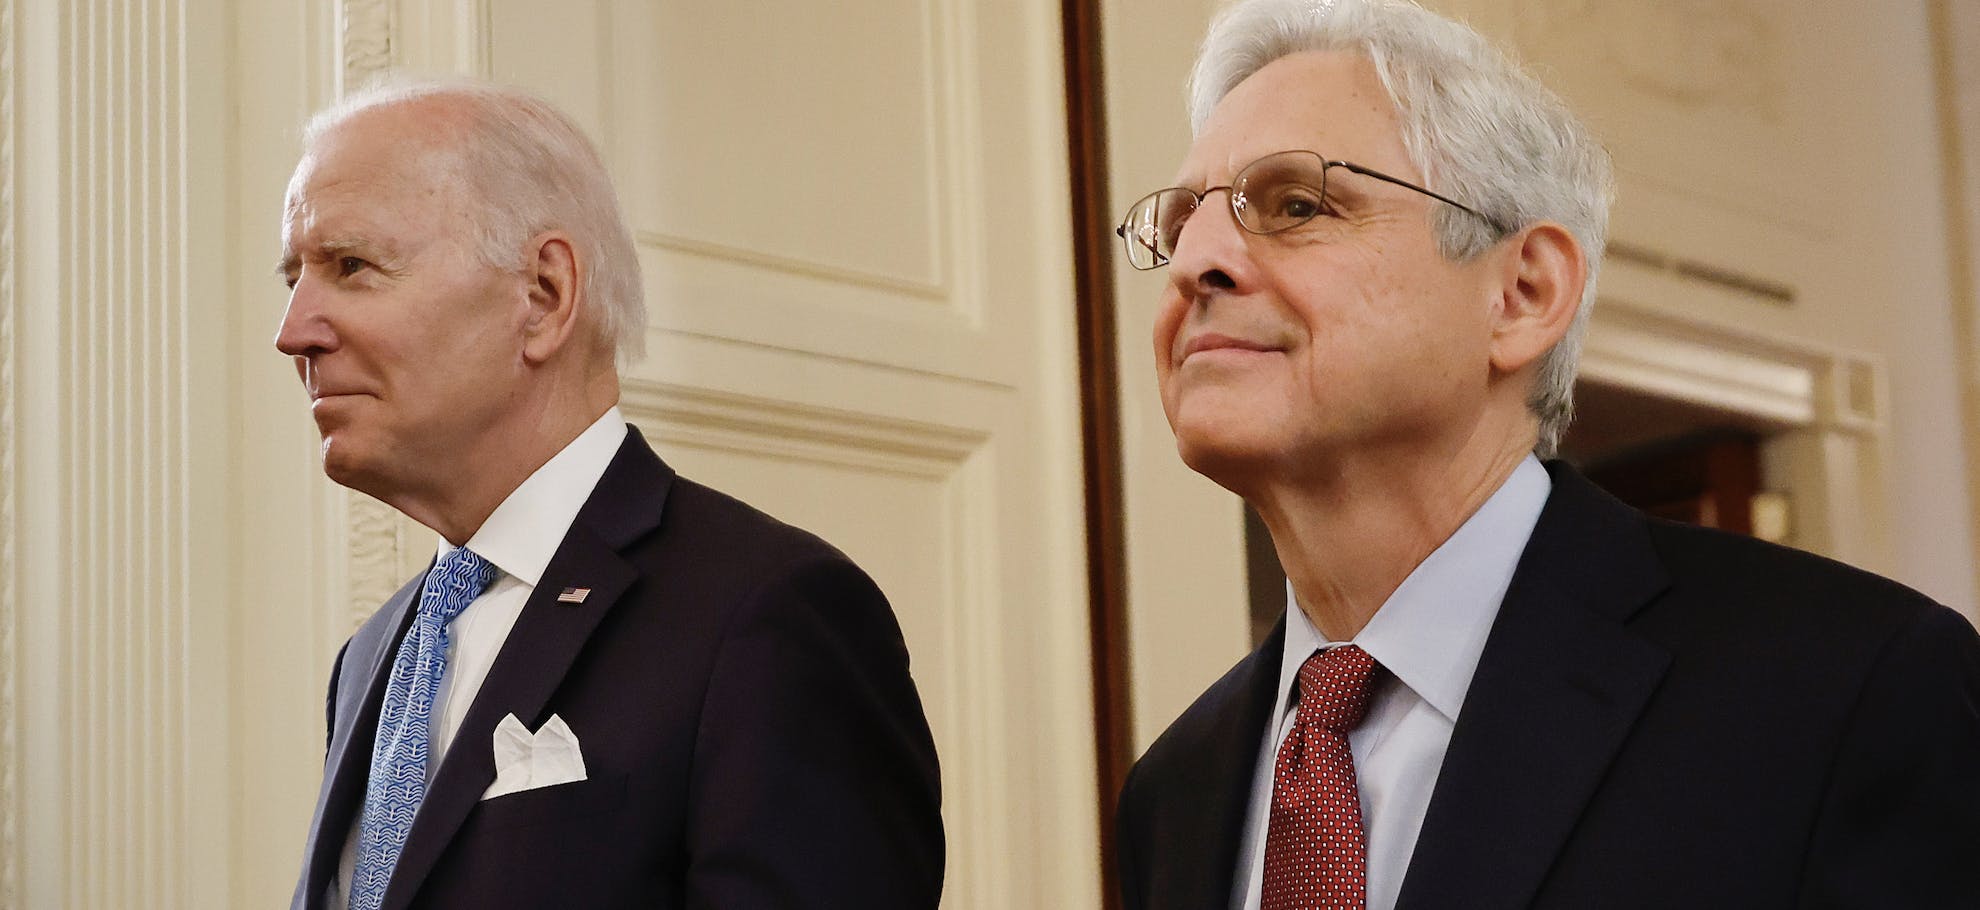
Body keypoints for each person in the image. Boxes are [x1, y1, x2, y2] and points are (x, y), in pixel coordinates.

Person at [1111, 1, 1980, 908]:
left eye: (1296, 204)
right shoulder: (1175, 792)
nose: (1195, 264)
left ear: (1523, 292)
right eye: (1181, 225)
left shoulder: (1845, 689)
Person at [276, 76, 943, 909]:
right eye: (294, 277)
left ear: (544, 294)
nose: (293, 332)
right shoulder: (372, 656)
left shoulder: (766, 616)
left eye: (352, 266)